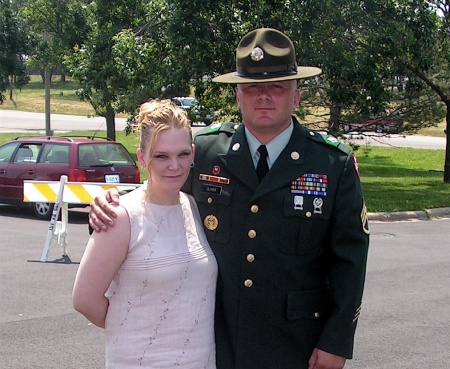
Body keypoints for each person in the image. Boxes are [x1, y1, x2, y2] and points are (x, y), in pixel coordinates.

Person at [89, 28, 370, 369]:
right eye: (252, 88)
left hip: (297, 343)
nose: (263, 97)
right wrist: (112, 202)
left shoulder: (330, 164)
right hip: (216, 338)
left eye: (277, 87)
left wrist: (335, 341)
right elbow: (160, 189)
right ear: (238, 95)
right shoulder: (206, 152)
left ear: (295, 97)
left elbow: (349, 262)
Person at [73, 99, 218, 369]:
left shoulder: (195, 207)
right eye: (161, 156)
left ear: (193, 153)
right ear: (142, 157)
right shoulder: (121, 217)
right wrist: (133, 326)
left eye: (183, 154)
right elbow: (84, 299)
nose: (174, 165)